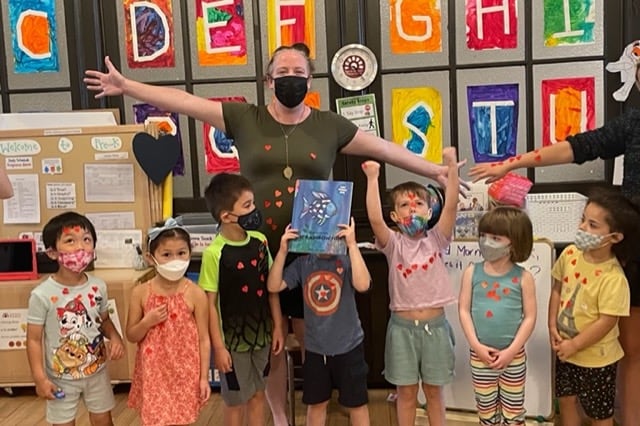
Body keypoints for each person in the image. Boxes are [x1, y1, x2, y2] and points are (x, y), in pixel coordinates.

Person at [84, 43, 463, 426]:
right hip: (256, 249)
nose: (291, 79)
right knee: (271, 339)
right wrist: (127, 85)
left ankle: (315, 403)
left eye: (298, 73)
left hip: (314, 249)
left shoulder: (329, 125)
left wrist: (433, 170)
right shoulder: (245, 117)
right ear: (268, 80)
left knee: (308, 332)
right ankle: (281, 416)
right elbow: (184, 102)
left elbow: (383, 148)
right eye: (282, 73)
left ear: (309, 80)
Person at [467, 54, 640, 426]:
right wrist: (510, 164)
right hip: (632, 248)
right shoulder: (634, 122)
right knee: (631, 351)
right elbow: (577, 147)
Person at [362, 147, 459, 426]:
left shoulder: (437, 239)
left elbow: (451, 205)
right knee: (405, 393)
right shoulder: (393, 244)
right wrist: (372, 178)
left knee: (433, 393)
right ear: (395, 216)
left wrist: (451, 168)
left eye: (418, 204)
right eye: (404, 205)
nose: (411, 209)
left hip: (436, 329)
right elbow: (374, 219)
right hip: (402, 331)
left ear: (430, 212)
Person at [198, 172, 284, 426]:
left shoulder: (260, 242)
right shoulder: (214, 253)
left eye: (253, 203)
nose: (254, 210)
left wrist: (278, 326)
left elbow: (271, 290)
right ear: (226, 216)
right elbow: (210, 306)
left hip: (263, 337)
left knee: (258, 395)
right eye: (247, 206)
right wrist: (219, 347)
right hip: (233, 344)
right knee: (235, 402)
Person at [267, 219, 371, 426]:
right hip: (316, 349)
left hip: (349, 346)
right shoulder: (304, 263)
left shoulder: (346, 259)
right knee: (316, 404)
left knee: (357, 404)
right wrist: (282, 251)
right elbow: (274, 285)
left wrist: (351, 245)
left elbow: (363, 284)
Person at [548, 189, 640, 425]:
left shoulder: (614, 278)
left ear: (615, 237)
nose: (582, 228)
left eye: (592, 225)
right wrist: (552, 326)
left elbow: (607, 321)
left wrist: (575, 344)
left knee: (598, 413)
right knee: (566, 400)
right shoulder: (569, 254)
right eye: (582, 220)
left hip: (596, 359)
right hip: (565, 351)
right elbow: (557, 289)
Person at [26, 212, 125, 426]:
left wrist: (116, 338)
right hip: (60, 377)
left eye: (86, 240)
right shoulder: (41, 295)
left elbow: (104, 321)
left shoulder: (98, 286)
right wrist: (40, 378)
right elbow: (33, 339)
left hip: (96, 371)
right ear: (52, 253)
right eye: (70, 241)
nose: (80, 247)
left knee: (103, 420)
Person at [126, 218, 211, 425]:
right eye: (166, 255)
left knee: (182, 418)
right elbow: (131, 335)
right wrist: (147, 322)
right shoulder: (140, 293)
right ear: (150, 257)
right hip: (153, 371)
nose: (175, 260)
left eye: (181, 253)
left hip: (185, 371)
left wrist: (203, 377)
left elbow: (203, 339)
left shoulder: (196, 293)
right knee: (155, 419)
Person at [458, 207, 536, 425]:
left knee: (514, 412)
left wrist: (511, 351)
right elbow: (463, 310)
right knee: (486, 411)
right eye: (483, 236)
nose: (485, 242)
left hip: (514, 356)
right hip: (480, 356)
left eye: (495, 237)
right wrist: (476, 346)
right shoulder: (472, 272)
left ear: (514, 241)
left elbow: (530, 317)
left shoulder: (524, 277)